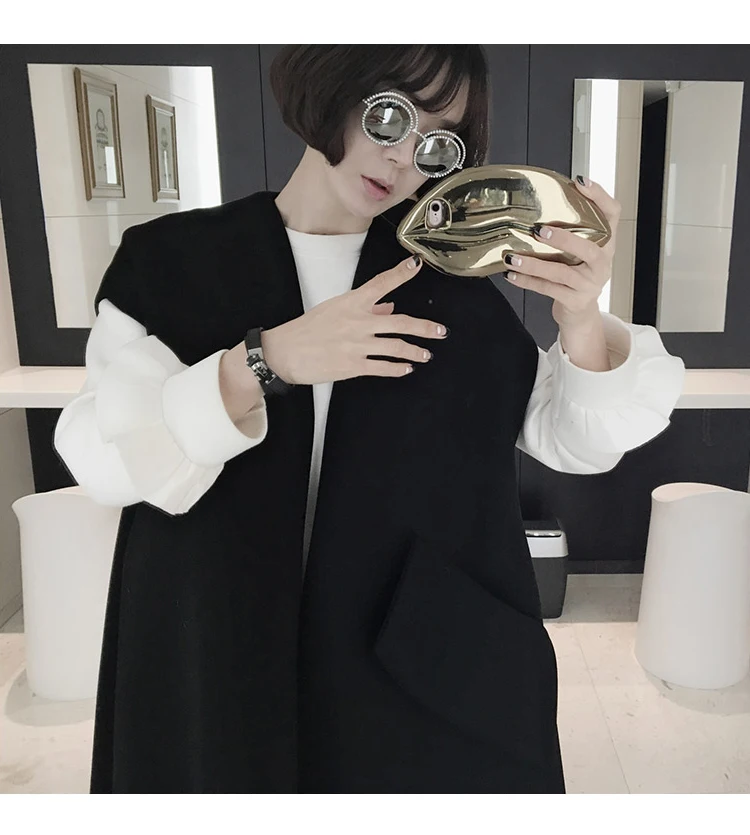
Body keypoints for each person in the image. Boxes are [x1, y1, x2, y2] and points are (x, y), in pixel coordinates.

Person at [53, 45, 685, 794]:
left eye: (437, 145)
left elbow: (572, 439)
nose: (404, 159)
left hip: (412, 673)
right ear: (331, 89)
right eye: (390, 116)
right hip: (215, 651)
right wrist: (263, 362)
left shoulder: (449, 282)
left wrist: (580, 317)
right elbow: (102, 458)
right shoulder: (170, 261)